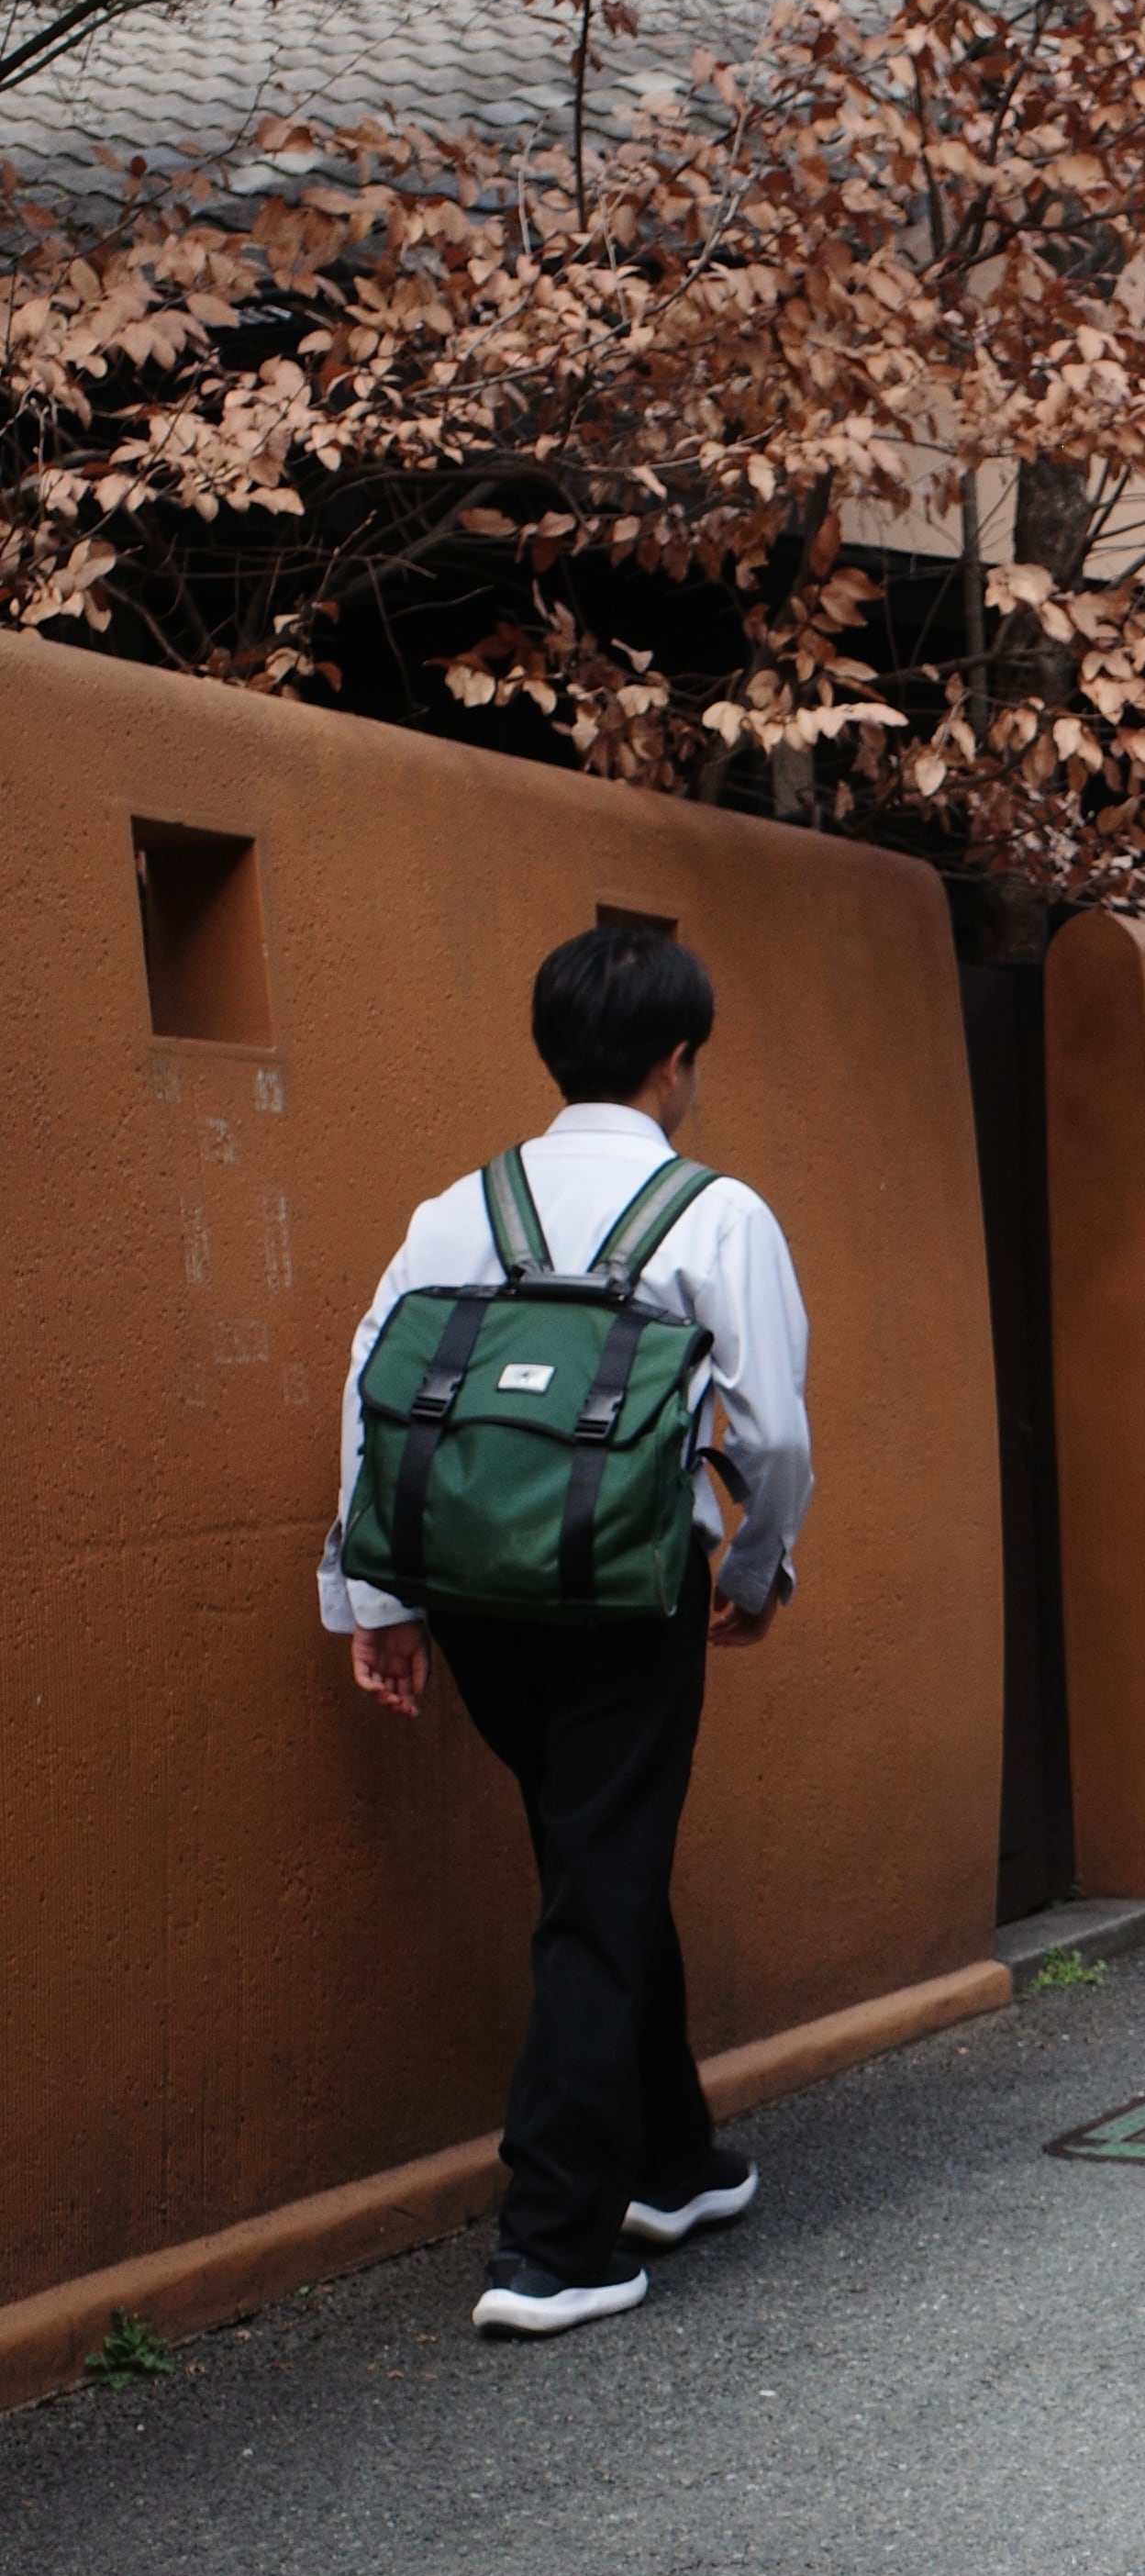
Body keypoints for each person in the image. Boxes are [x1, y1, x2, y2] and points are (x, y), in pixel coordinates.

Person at [323, 927, 811, 2340]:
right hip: (624, 1592)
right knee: (599, 1875)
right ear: (678, 1060)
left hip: (475, 1596)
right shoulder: (714, 1214)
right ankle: (553, 2239)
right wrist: (759, 1569)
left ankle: (671, 2160)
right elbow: (772, 1432)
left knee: (597, 1851)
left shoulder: (454, 1211)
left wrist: (378, 1598)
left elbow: (373, 1393)